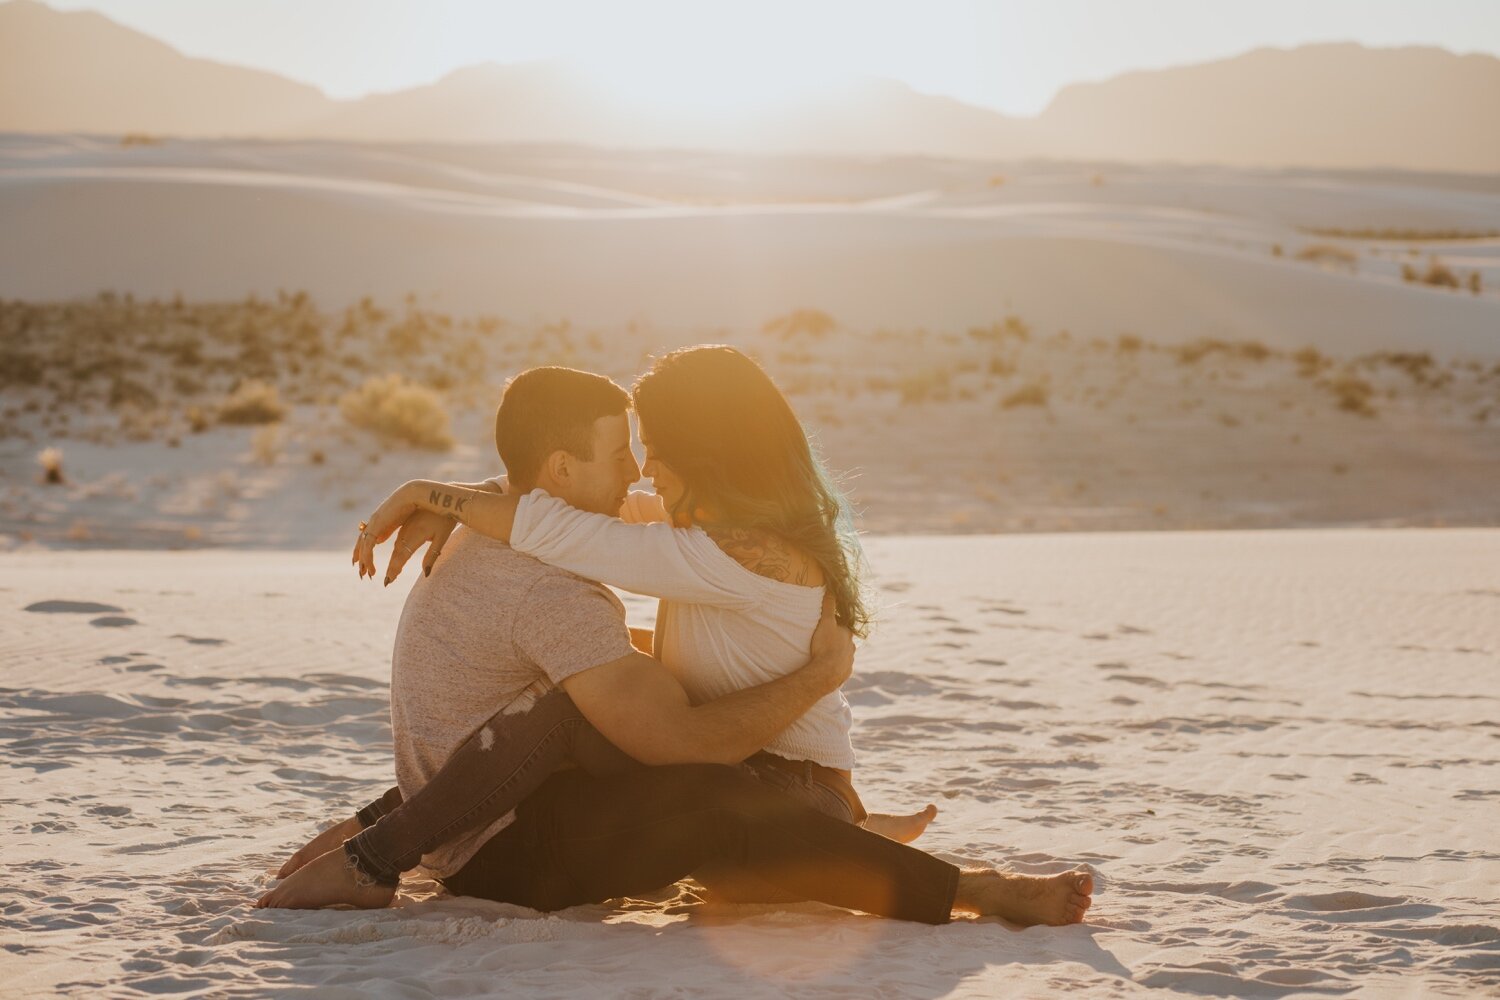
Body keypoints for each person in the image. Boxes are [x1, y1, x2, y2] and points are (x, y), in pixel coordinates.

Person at [258, 360, 1093, 925]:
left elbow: (602, 539)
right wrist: (441, 496)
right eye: (625, 455)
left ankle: (370, 858)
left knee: (584, 721)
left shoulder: (709, 548)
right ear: (556, 470)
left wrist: (437, 495)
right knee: (601, 731)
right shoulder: (584, 570)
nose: (639, 477)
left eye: (651, 456)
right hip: (515, 851)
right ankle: (370, 855)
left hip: (770, 790)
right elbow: (671, 726)